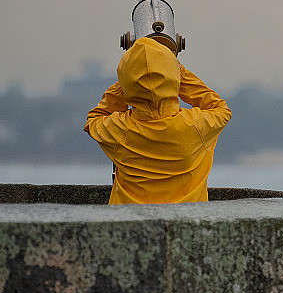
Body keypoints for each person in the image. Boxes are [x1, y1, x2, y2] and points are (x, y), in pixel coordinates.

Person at [84, 36, 231, 204]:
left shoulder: (120, 130)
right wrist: (180, 72)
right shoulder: (194, 126)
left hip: (128, 224)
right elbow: (221, 109)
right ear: (172, 78)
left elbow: (94, 119)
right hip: (186, 224)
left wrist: (129, 78)